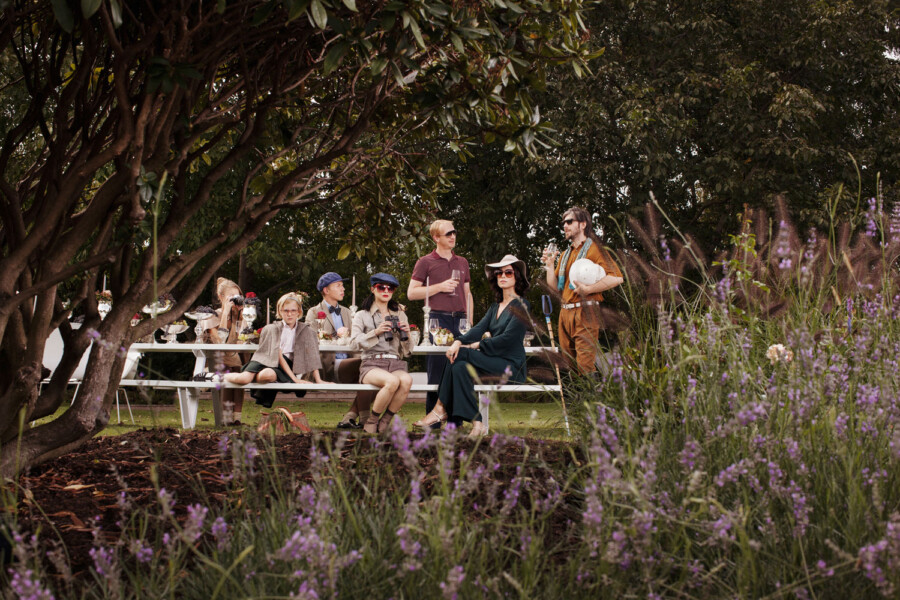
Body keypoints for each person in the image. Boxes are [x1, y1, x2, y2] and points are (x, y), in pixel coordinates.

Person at [414, 255, 530, 437]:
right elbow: (477, 329)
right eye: (499, 273)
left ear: (517, 277)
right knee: (459, 367)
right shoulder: (495, 307)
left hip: (511, 367)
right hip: (492, 363)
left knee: (459, 355)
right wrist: (459, 341)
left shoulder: (522, 305)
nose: (502, 276)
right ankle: (477, 423)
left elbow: (508, 339)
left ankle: (439, 408)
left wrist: (473, 346)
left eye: (508, 272)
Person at [541, 206, 623, 374]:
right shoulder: (565, 254)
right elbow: (555, 288)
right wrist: (549, 266)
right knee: (569, 367)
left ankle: (593, 391)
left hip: (585, 312)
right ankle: (579, 393)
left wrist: (589, 289)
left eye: (570, 222)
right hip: (565, 314)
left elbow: (617, 277)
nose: (565, 226)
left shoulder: (595, 249)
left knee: (585, 366)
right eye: (564, 223)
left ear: (583, 224)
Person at [407, 219, 473, 425]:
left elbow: (467, 294)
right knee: (436, 371)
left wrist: (470, 324)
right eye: (448, 234)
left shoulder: (462, 262)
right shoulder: (425, 262)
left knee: (459, 369)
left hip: (460, 320)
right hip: (437, 319)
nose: (453, 236)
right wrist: (440, 287)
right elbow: (411, 293)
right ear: (436, 237)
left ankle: (455, 422)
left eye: (454, 232)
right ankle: (433, 421)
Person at [224, 292, 330, 409]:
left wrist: (318, 380)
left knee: (267, 375)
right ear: (280, 311)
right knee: (244, 379)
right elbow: (278, 355)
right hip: (265, 359)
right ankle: (216, 376)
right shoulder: (273, 328)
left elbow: (312, 355)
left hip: (283, 366)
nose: (289, 314)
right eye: (286, 311)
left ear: (299, 312)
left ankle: (254, 377)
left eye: (293, 311)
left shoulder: (306, 330)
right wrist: (294, 379)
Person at [306, 271, 376, 429]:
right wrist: (335, 335)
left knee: (377, 371)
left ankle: (351, 417)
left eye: (343, 285)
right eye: (338, 286)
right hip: (328, 365)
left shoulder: (347, 312)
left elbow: (357, 338)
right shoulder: (313, 312)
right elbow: (311, 341)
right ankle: (365, 419)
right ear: (326, 290)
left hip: (350, 362)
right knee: (368, 367)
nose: (343, 289)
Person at [350, 273, 415, 434]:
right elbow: (353, 344)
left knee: (406, 380)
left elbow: (409, 350)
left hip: (395, 363)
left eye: (390, 288)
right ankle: (372, 420)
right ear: (373, 289)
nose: (386, 291)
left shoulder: (400, 314)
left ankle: (385, 420)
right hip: (371, 363)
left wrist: (407, 334)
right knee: (392, 381)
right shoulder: (362, 315)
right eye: (381, 287)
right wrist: (376, 332)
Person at [205, 277, 248, 425]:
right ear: (221, 297)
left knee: (239, 371)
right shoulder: (211, 315)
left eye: (238, 297)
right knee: (229, 370)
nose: (234, 300)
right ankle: (225, 418)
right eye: (231, 297)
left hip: (233, 359)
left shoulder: (237, 316)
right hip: (214, 360)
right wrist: (225, 314)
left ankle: (237, 419)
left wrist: (242, 316)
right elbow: (219, 341)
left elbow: (244, 338)